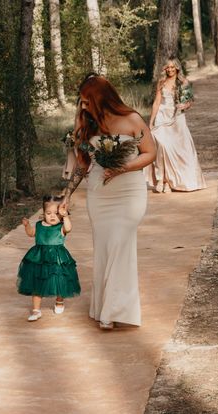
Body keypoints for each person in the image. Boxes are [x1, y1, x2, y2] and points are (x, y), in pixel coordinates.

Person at [61, 74, 156, 329]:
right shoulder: (88, 125)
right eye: (81, 102)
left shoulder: (133, 119)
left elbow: (150, 153)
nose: (83, 107)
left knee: (119, 244)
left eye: (86, 101)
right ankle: (106, 307)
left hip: (129, 195)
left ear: (100, 98)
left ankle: (113, 311)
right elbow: (83, 166)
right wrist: (67, 194)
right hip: (99, 196)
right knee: (105, 249)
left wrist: (123, 167)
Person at [145, 57, 206, 193]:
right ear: (165, 69)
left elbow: (190, 101)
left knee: (175, 149)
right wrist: (151, 121)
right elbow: (156, 102)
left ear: (177, 68)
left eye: (173, 67)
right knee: (161, 145)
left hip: (177, 116)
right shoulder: (161, 82)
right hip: (162, 116)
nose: (170, 69)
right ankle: (162, 179)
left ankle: (169, 182)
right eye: (168, 67)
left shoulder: (183, 82)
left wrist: (185, 105)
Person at [17, 195, 81, 322]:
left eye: (56, 213)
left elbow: (68, 228)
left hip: (57, 259)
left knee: (59, 280)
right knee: (37, 282)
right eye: (48, 213)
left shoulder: (61, 227)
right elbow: (31, 233)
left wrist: (65, 216)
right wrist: (27, 226)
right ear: (43, 213)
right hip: (39, 259)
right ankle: (36, 310)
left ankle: (59, 300)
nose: (52, 216)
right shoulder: (39, 225)